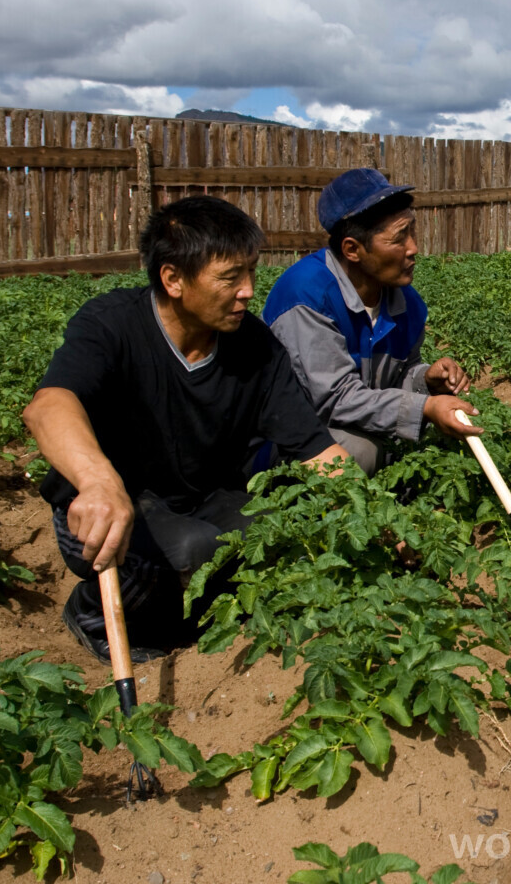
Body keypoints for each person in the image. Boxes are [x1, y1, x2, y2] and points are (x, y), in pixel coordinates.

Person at [25, 196, 350, 663]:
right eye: (229, 277)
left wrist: (377, 521)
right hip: (104, 509)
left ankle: (185, 611)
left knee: (279, 532)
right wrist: (98, 480)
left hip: (199, 497)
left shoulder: (254, 347)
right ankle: (91, 611)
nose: (248, 291)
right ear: (173, 279)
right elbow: (47, 406)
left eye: (251, 272)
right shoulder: (112, 325)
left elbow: (316, 449)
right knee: (191, 551)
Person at [262, 168, 478, 474]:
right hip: (291, 437)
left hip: (352, 420)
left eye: (412, 232)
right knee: (360, 453)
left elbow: (394, 377)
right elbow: (335, 399)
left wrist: (425, 380)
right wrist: (425, 408)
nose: (414, 248)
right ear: (352, 249)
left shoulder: (407, 303)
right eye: (399, 238)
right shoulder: (307, 296)